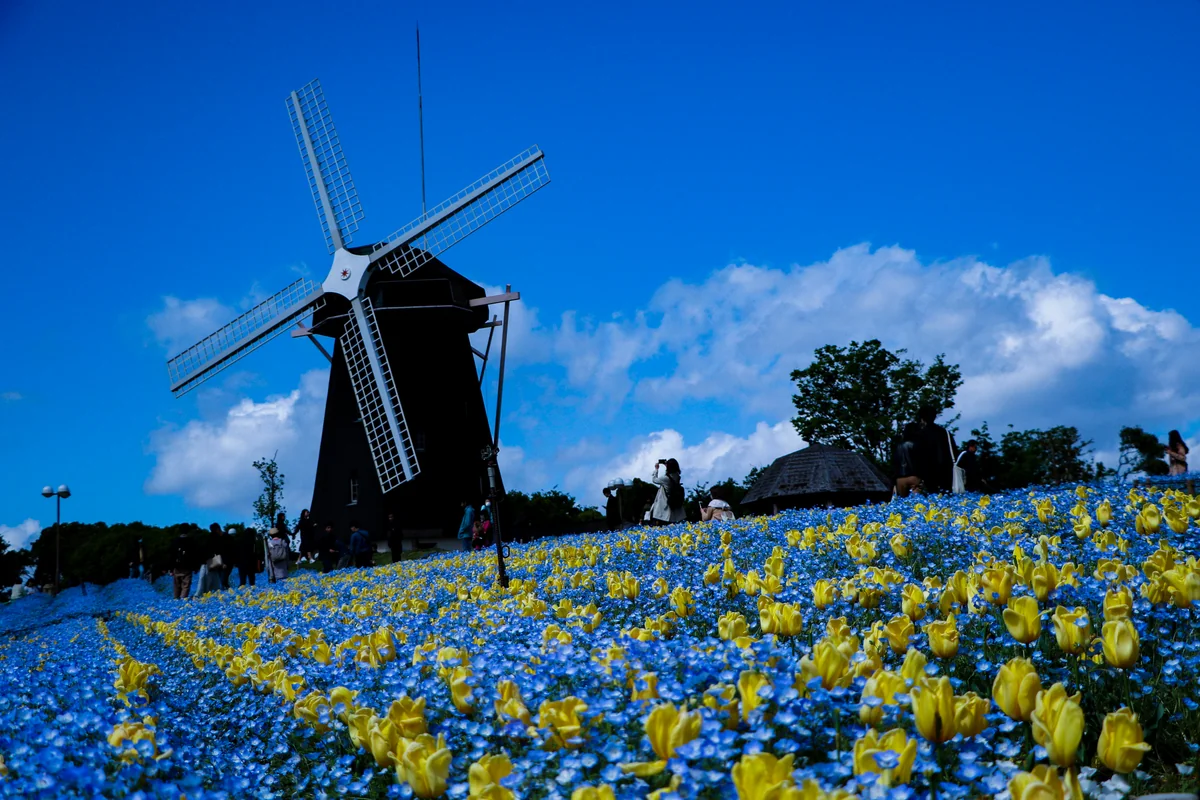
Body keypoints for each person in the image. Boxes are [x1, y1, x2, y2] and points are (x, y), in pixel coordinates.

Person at [895, 406, 954, 497]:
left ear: (922, 418)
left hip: (928, 474)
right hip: (946, 473)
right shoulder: (945, 432)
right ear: (935, 416)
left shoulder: (919, 435)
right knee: (946, 498)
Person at [651, 458, 686, 525]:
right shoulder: (677, 475)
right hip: (674, 500)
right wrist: (667, 465)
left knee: (664, 522)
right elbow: (669, 475)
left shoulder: (665, 478)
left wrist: (656, 469)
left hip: (666, 502)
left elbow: (654, 480)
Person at [171, 528, 198, 600]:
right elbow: (195, 555)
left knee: (177, 584)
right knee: (186, 584)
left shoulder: (175, 541)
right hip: (187, 566)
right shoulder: (191, 541)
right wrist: (196, 567)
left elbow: (171, 555)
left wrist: (170, 568)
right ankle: (183, 599)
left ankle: (176, 599)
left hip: (177, 566)